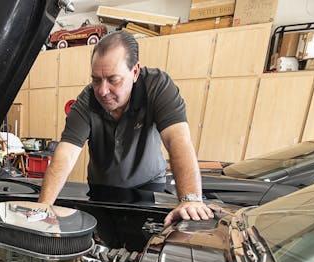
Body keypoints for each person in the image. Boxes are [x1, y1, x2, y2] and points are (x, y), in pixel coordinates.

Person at [38, 31, 213, 227]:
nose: (102, 91)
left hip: (148, 187)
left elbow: (177, 139)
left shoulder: (157, 86)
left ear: (135, 72)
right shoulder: (87, 100)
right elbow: (66, 154)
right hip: (101, 188)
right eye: (96, 80)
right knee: (106, 241)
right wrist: (43, 207)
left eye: (113, 80)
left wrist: (190, 198)